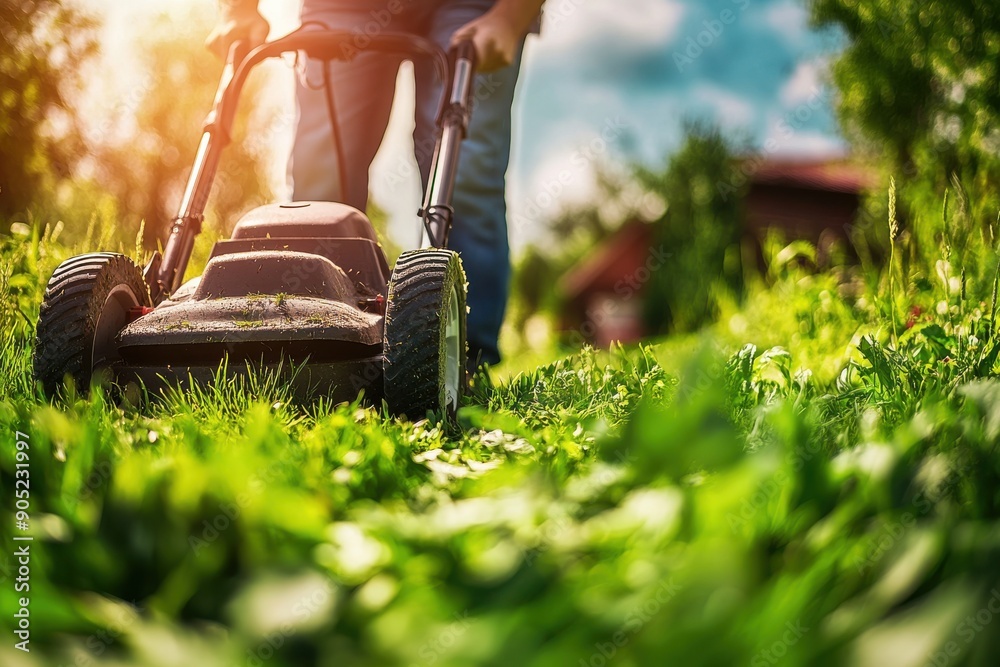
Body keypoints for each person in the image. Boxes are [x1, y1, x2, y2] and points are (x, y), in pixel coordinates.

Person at [207, 0, 544, 371]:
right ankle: (313, 341)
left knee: (464, 174)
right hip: (343, 7)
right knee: (320, 187)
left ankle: (465, 359)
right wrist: (239, 10)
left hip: (473, 8)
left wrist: (510, 17)